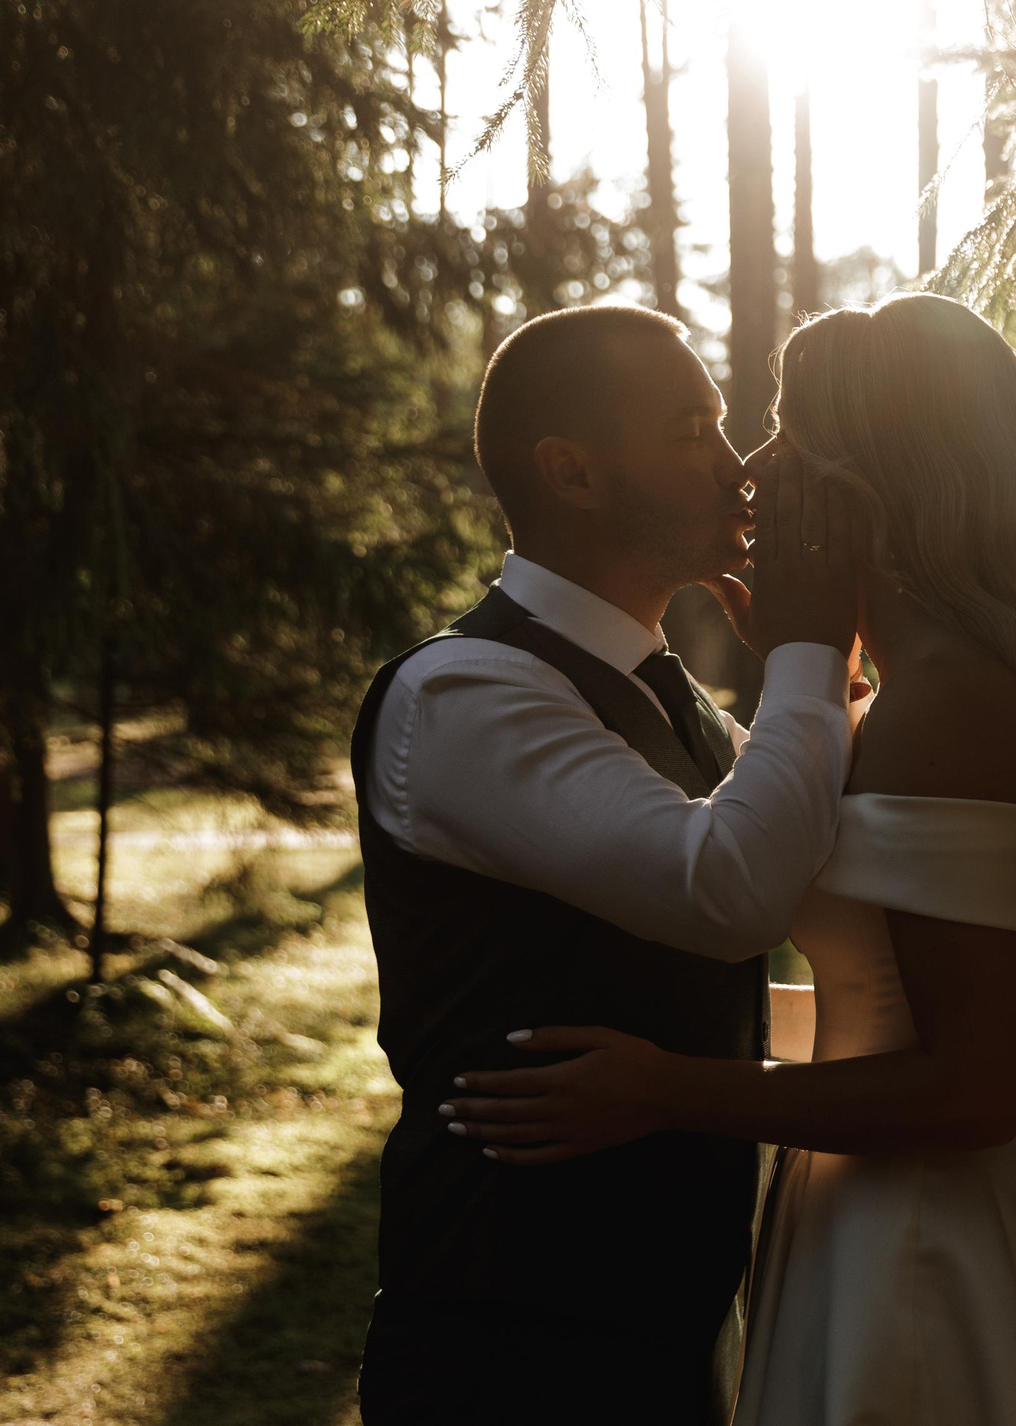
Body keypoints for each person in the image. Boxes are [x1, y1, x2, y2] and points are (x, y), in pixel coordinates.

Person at [440, 293, 1016, 1425]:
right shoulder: (900, 702)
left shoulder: (955, 707)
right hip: (868, 1209)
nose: (753, 468)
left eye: (788, 432)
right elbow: (880, 1002)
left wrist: (662, 1087)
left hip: (928, 1245)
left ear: (874, 477)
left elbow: (973, 1087)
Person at [350, 303, 865, 1424]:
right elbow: (729, 889)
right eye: (692, 430)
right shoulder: (464, 691)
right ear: (572, 473)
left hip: (669, 1328)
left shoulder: (664, 691)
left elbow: (810, 834)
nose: (737, 471)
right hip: (512, 1351)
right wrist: (808, 650)